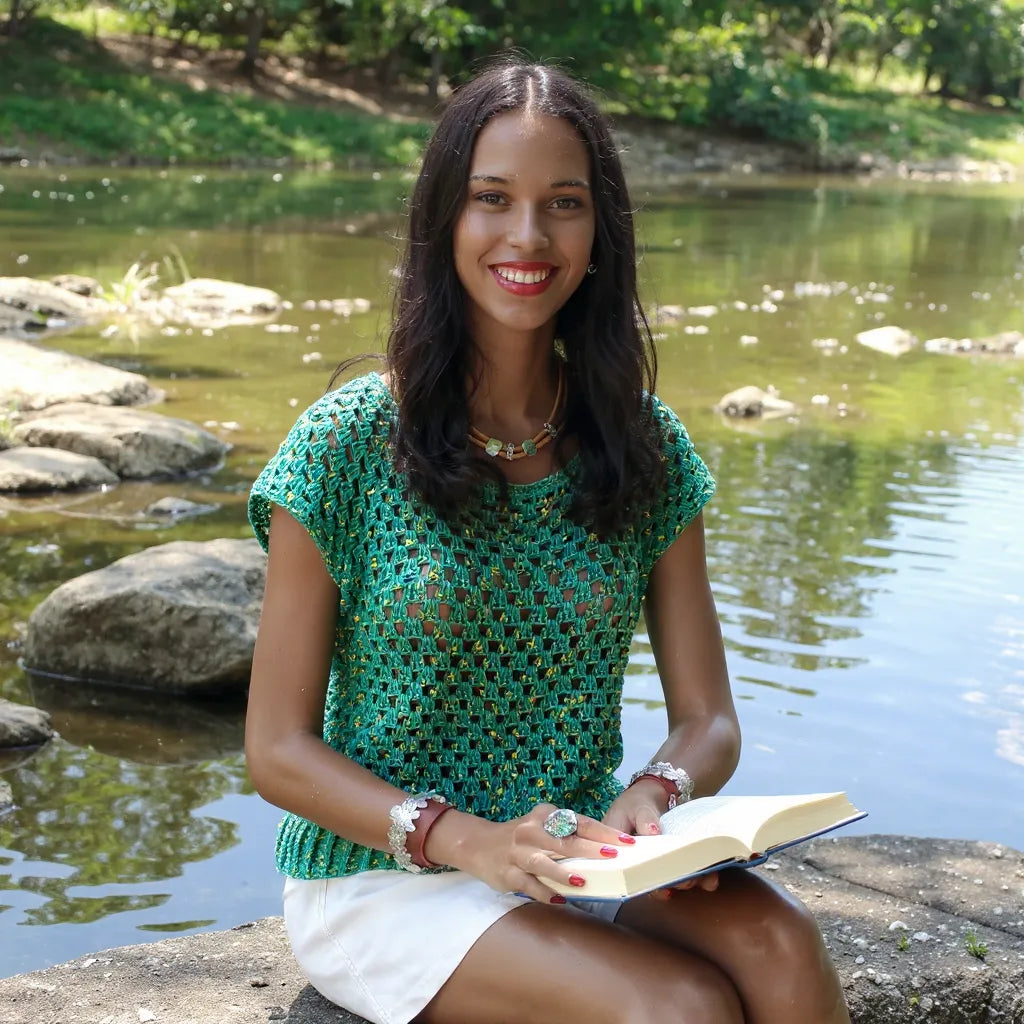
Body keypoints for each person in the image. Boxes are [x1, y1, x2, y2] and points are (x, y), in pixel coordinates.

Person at [245, 60, 851, 1024]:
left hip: (577, 852)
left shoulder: (643, 446)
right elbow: (276, 749)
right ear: (446, 216)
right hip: (388, 877)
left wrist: (658, 791)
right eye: (493, 199)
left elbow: (710, 721)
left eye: (562, 204)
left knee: (782, 945)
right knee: (677, 1007)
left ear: (599, 230)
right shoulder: (345, 446)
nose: (527, 236)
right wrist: (463, 840)